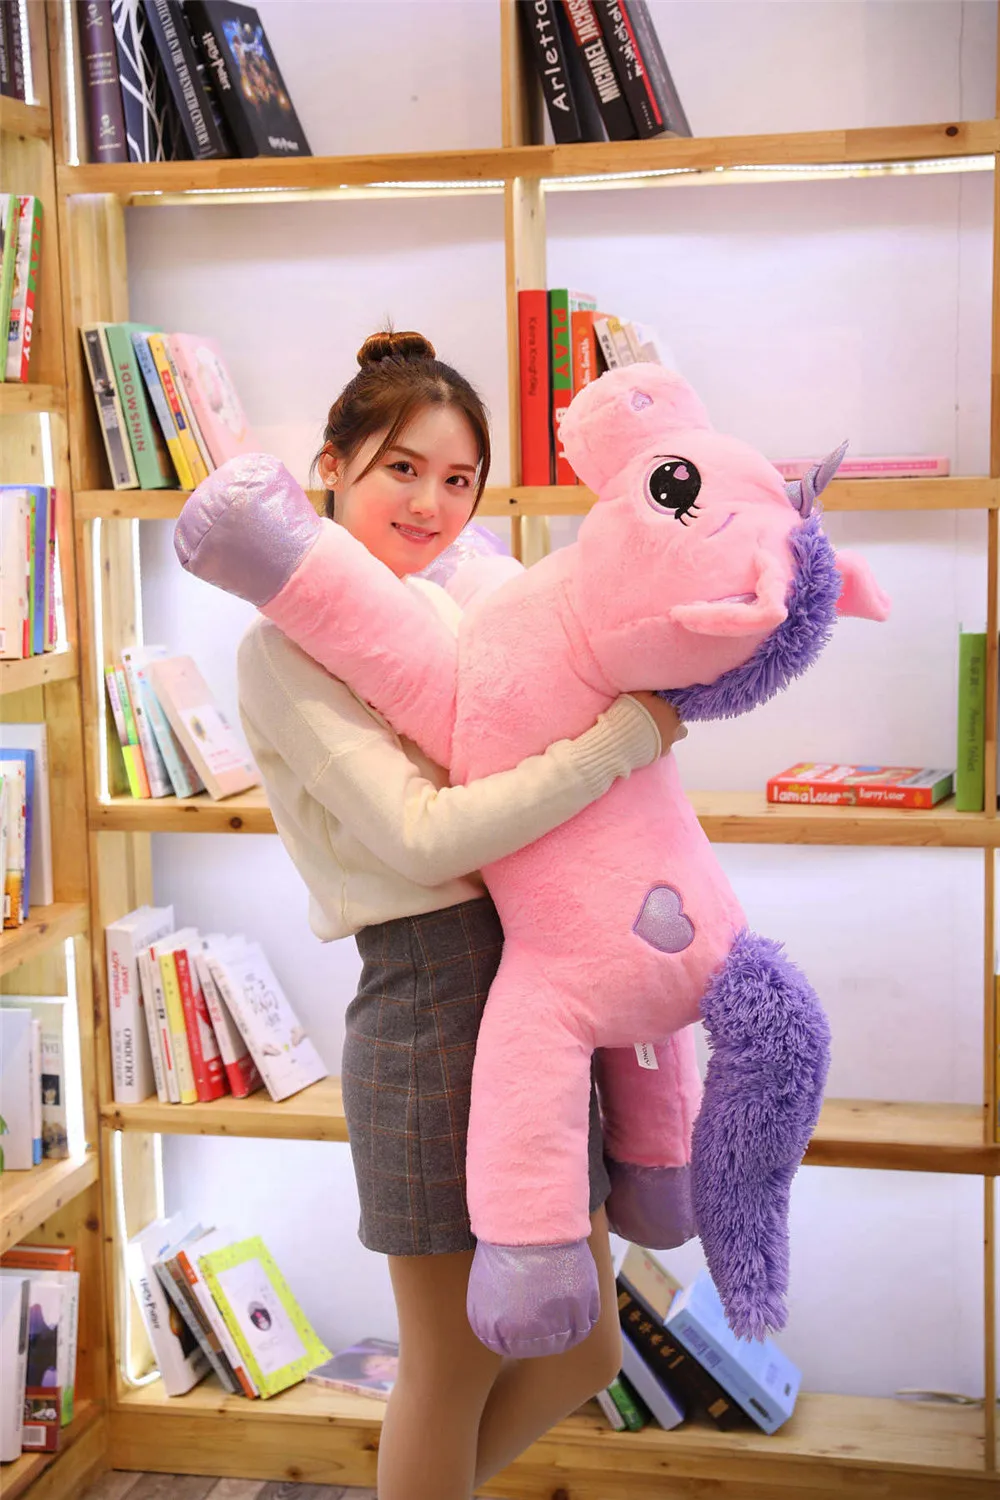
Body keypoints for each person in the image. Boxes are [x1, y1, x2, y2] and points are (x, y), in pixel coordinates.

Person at [236, 329, 687, 1500]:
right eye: (400, 468)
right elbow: (425, 837)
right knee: (449, 1364)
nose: (429, 503)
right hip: (429, 1006)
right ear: (329, 465)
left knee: (583, 1346)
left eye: (457, 479)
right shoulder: (281, 650)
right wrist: (617, 743)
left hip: (539, 1000)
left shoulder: (466, 613)